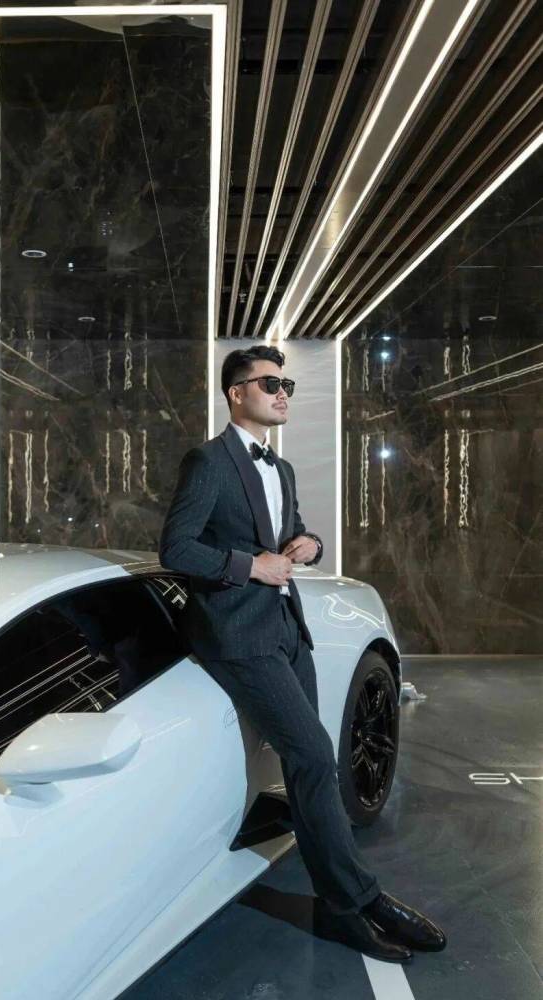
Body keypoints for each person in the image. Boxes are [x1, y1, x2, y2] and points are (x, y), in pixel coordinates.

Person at [158, 344, 446, 964]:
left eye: (286, 384)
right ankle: (355, 903)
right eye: (269, 383)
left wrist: (309, 543)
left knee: (312, 766)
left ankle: (351, 899)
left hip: (288, 629)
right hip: (238, 636)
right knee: (314, 756)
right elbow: (176, 548)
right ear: (237, 393)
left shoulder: (281, 469)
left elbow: (293, 531)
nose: (282, 392)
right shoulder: (208, 461)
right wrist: (249, 566)